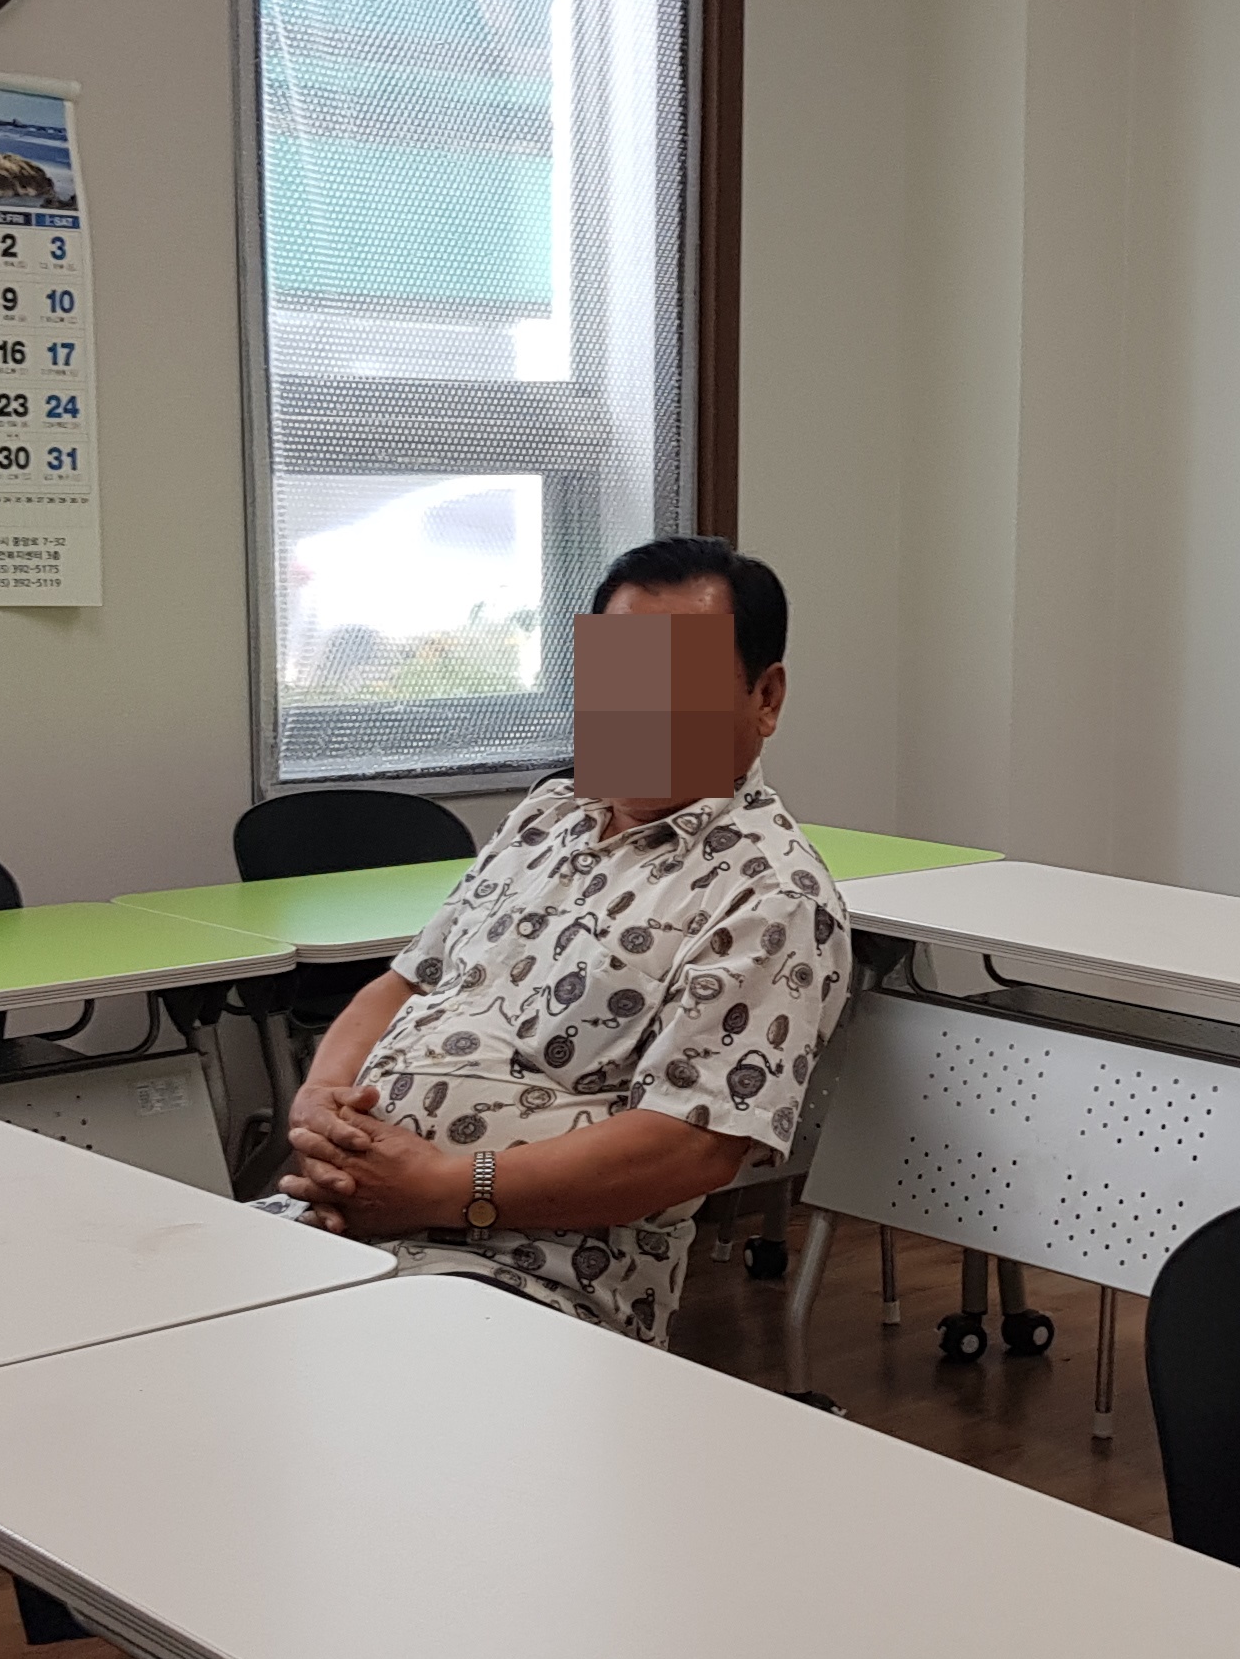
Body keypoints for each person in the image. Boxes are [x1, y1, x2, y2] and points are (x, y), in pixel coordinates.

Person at [273, 535, 849, 1344]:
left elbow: (690, 1147)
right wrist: (319, 1106)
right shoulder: (547, 816)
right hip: (348, 1221)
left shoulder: (771, 895)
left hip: (523, 1276)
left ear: (766, 697)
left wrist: (443, 1188)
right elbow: (406, 983)